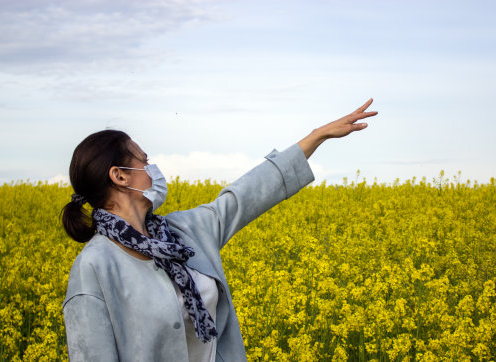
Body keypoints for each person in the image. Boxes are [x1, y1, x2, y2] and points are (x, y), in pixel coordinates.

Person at [62, 99, 378, 361]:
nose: (153, 170)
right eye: (144, 161)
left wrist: (316, 136)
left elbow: (243, 196)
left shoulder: (185, 232)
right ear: (120, 176)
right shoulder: (95, 266)